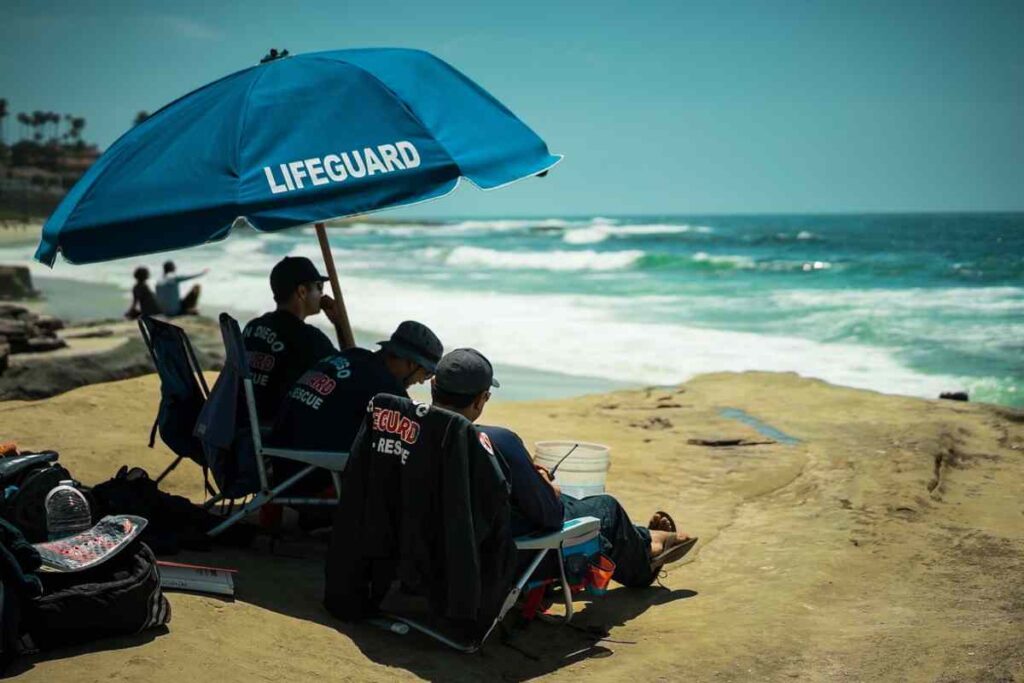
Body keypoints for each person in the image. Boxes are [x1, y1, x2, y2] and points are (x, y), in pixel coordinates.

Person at [429, 348, 697, 588]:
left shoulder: (407, 433)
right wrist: (548, 487)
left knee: (556, 500)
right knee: (606, 508)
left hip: (430, 556)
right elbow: (551, 517)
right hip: (497, 562)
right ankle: (646, 558)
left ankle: (644, 537)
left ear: (432, 387)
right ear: (481, 400)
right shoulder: (496, 441)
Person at [270, 320, 444, 453]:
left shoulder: (352, 356)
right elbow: (421, 441)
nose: (422, 381)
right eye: (427, 373)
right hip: (313, 473)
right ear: (412, 364)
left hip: (278, 456)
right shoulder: (386, 389)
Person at [242, 256, 340, 424]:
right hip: (279, 433)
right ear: (302, 292)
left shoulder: (252, 327)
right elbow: (350, 375)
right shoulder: (309, 338)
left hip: (244, 425)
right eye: (319, 287)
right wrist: (339, 323)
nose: (322, 294)